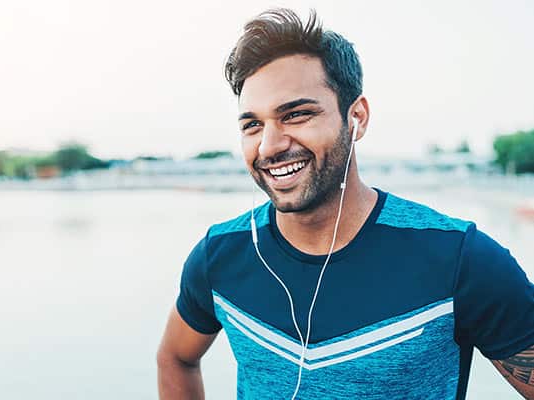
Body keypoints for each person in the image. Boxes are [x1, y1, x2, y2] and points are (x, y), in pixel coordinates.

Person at [156, 8, 534, 400]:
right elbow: (176, 357)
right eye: (252, 125)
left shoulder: (458, 258)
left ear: (357, 117)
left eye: (296, 114)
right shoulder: (219, 255)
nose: (268, 146)